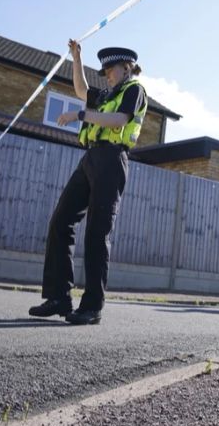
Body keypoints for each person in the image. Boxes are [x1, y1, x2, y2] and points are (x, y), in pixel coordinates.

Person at [29, 40, 147, 325]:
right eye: (104, 69)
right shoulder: (106, 95)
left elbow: (119, 120)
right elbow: (81, 90)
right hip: (91, 158)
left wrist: (80, 115)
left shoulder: (135, 90)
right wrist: (76, 58)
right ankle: (59, 297)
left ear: (127, 67)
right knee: (61, 221)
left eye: (110, 68)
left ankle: (92, 306)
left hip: (112, 159)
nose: (106, 73)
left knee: (97, 232)